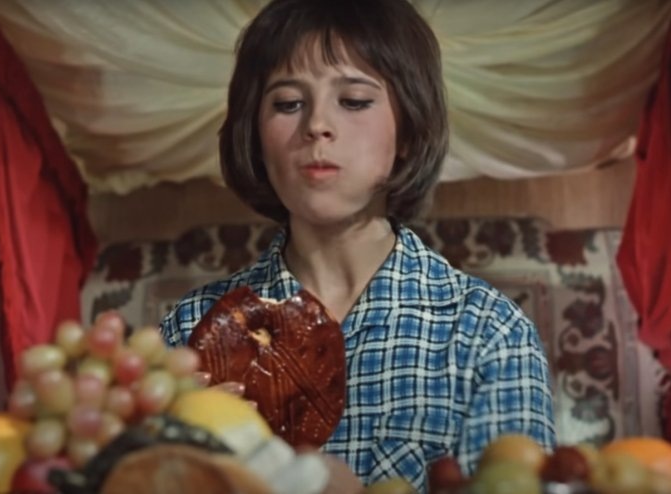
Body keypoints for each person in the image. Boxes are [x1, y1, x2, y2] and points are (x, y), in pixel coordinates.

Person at [160, 0, 556, 491]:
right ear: (256, 135)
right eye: (288, 103)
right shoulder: (189, 328)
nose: (316, 125)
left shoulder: (487, 333)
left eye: (353, 101)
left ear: (408, 129)